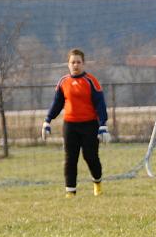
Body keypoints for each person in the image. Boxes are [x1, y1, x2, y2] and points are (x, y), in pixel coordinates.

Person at [41, 48, 112, 197]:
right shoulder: (63, 82)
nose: (76, 65)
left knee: (90, 157)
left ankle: (97, 184)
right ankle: (70, 192)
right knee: (70, 159)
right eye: (73, 62)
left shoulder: (91, 81)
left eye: (78, 62)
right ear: (68, 64)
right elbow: (57, 104)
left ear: (83, 64)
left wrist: (103, 125)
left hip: (89, 125)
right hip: (70, 126)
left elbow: (100, 104)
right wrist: (47, 120)